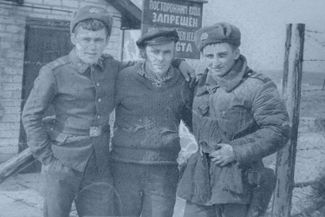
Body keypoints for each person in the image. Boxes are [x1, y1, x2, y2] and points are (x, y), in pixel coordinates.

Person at [22, 5, 194, 217]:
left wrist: (178, 62)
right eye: (86, 39)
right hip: (63, 161)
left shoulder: (111, 66)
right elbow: (31, 116)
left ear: (106, 40)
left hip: (99, 164)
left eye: (98, 40)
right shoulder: (54, 72)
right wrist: (48, 160)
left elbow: (150, 61)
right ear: (74, 38)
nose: (92, 47)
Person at [177, 22, 290, 217]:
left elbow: (278, 130)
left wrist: (236, 151)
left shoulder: (256, 86)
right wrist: (177, 62)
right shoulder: (198, 85)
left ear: (236, 53)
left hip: (240, 182)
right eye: (209, 56)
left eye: (222, 55)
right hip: (200, 182)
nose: (215, 62)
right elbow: (191, 119)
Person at [111, 29, 193, 217]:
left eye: (167, 52)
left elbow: (194, 122)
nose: (161, 58)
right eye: (155, 52)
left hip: (163, 170)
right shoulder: (124, 77)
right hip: (124, 167)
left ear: (174, 53)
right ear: (144, 52)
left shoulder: (183, 82)